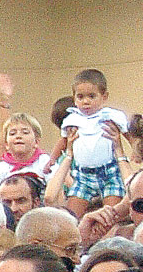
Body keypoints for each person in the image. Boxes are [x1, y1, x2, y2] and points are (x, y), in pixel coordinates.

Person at [52, 68, 130, 217]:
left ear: (104, 96)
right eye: (80, 97)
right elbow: (63, 141)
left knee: (110, 215)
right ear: (74, 98)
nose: (86, 101)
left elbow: (128, 135)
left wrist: (136, 152)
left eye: (91, 96)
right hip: (83, 175)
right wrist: (51, 160)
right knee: (71, 216)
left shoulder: (112, 115)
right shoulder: (72, 119)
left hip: (109, 172)